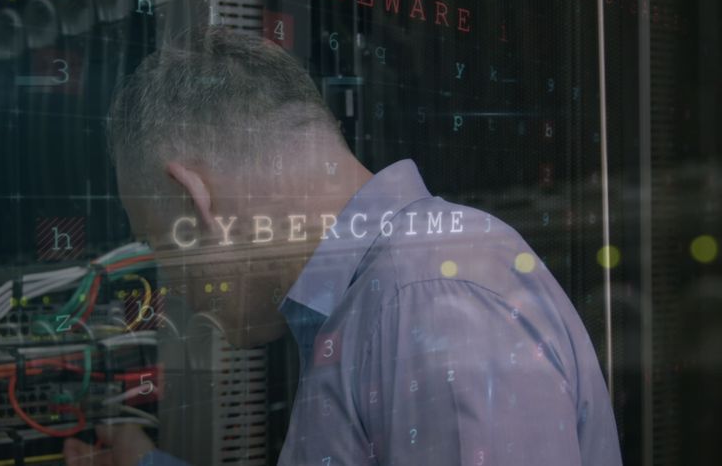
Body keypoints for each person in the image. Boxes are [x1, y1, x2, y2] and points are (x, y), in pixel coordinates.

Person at [63, 26, 621, 465]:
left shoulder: (430, 302)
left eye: (157, 242)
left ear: (194, 201)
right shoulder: (386, 297)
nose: (171, 285)